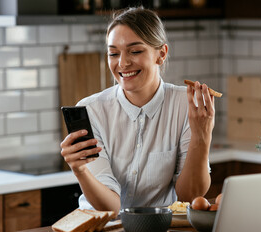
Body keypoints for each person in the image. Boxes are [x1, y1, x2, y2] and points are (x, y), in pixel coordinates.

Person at [60, 6, 215, 214]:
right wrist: (80, 171)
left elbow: (190, 196)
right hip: (102, 229)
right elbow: (111, 208)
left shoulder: (186, 106)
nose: (122, 63)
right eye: (113, 53)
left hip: (159, 230)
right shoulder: (91, 111)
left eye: (135, 51)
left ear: (161, 54)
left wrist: (201, 137)